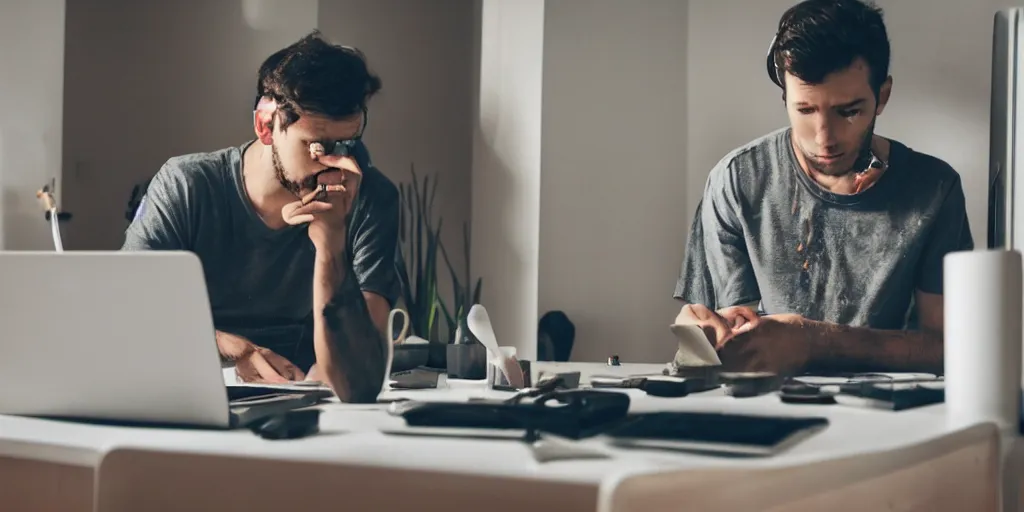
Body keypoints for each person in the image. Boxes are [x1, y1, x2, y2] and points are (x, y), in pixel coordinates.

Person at [673, 0, 972, 376]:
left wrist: (814, 341)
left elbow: (949, 348)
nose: (824, 139)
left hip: (888, 417)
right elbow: (731, 341)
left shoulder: (934, 189)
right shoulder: (737, 180)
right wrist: (698, 334)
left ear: (883, 95)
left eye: (848, 112)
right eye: (805, 110)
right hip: (767, 414)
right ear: (784, 94)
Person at [122, 31, 400, 403]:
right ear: (266, 126)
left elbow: (359, 384)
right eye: (315, 146)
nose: (337, 162)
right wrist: (231, 348)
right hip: (187, 395)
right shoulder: (187, 185)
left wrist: (332, 246)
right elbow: (128, 316)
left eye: (347, 143)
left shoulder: (368, 197)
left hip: (308, 408)